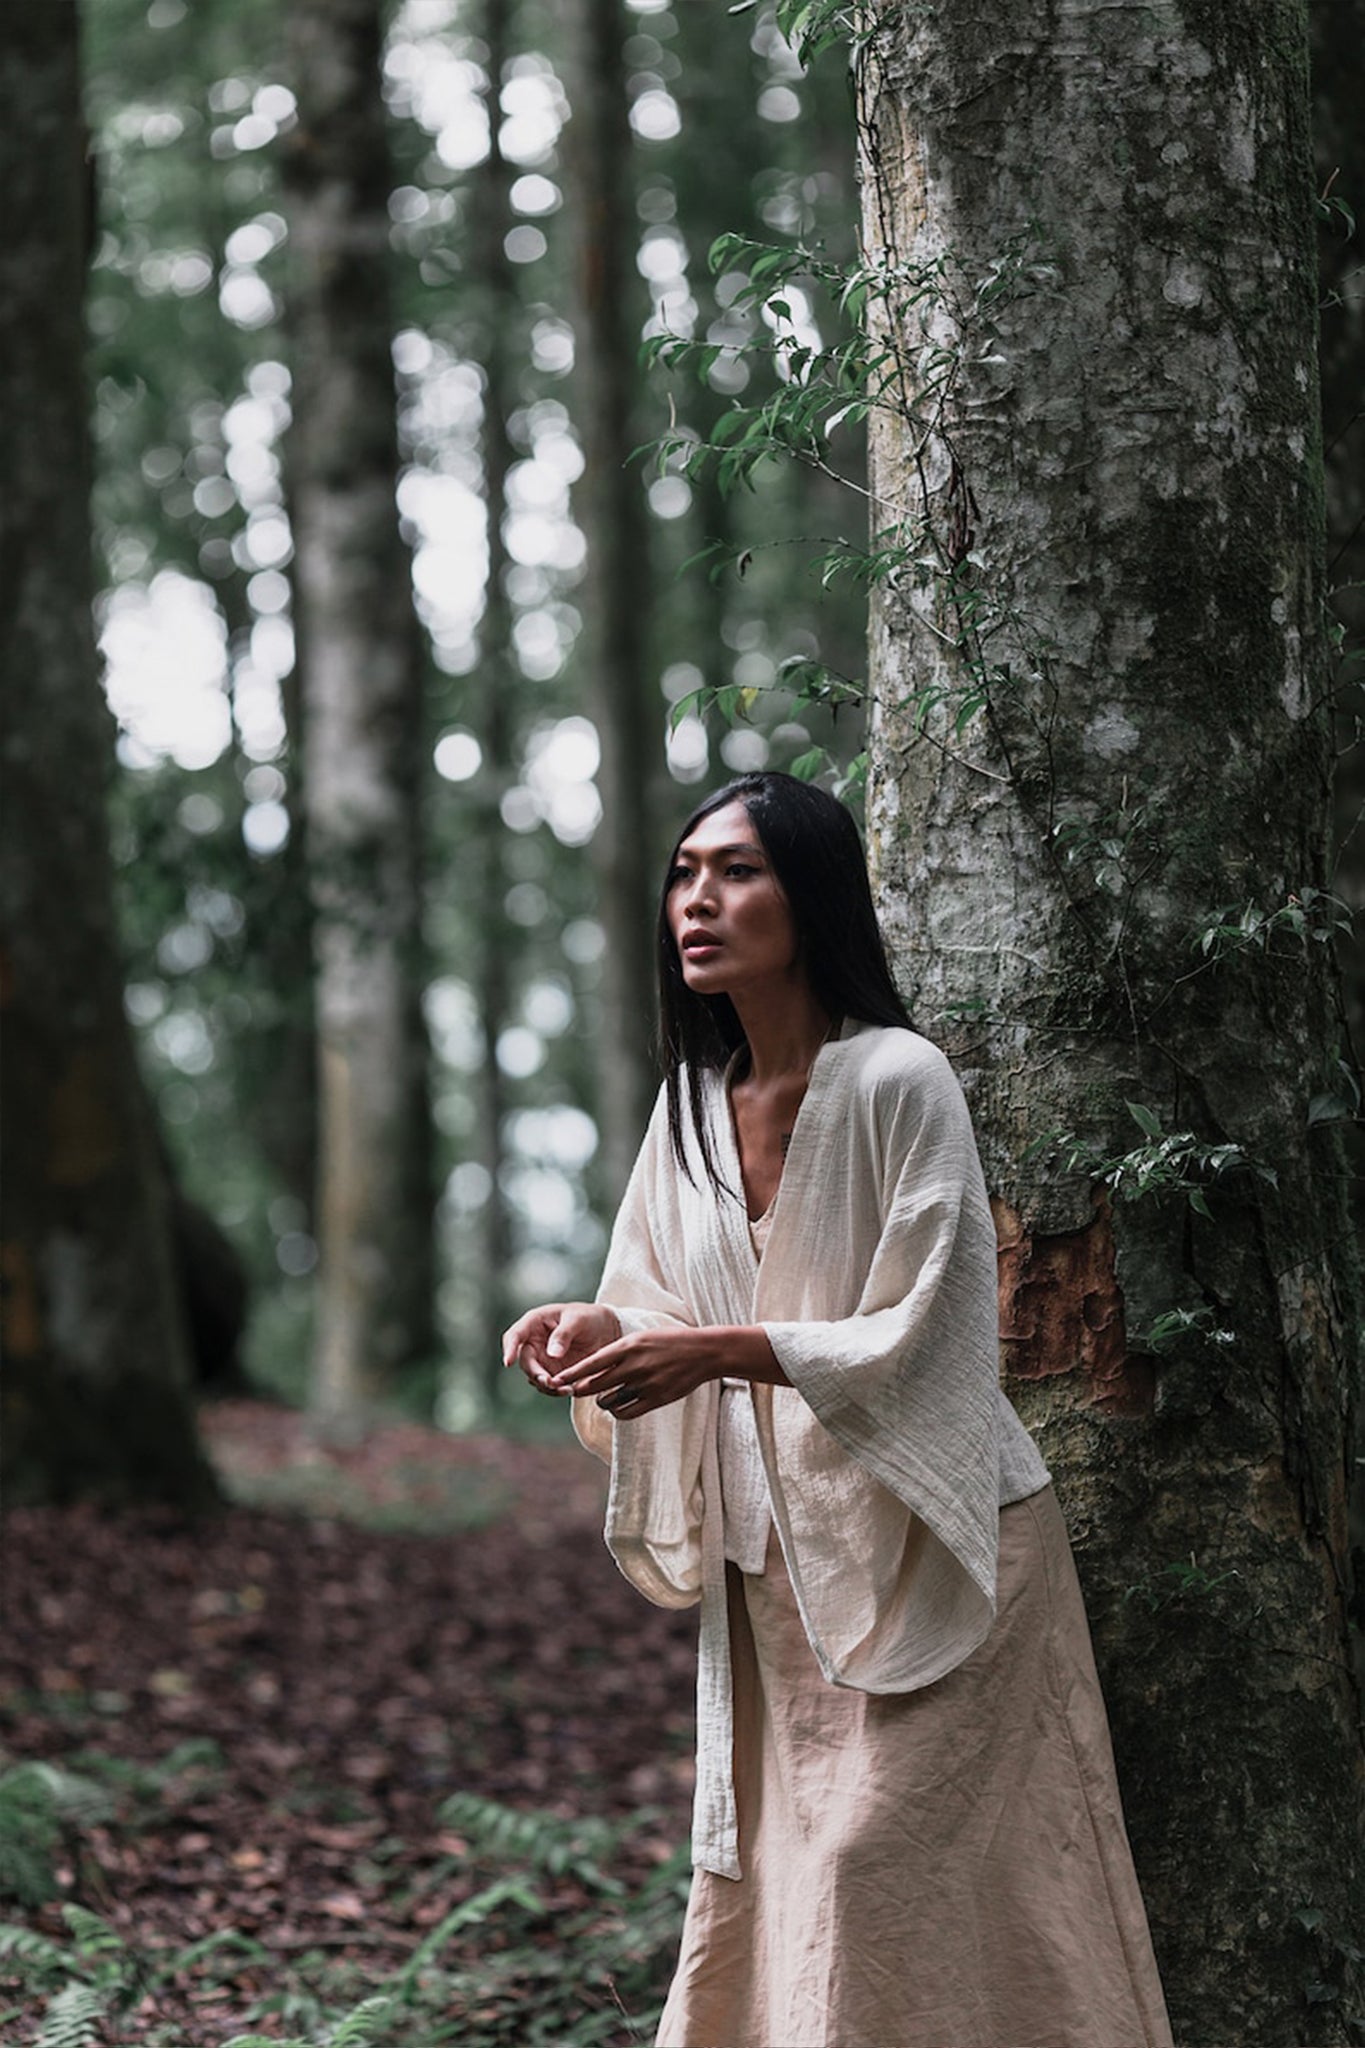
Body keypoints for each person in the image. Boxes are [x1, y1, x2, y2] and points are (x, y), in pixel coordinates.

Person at [503, 771, 1173, 2048]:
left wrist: (711, 1350)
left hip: (942, 1545)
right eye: (685, 870)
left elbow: (933, 1329)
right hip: (776, 1579)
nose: (697, 898)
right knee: (788, 1890)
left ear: (812, 896)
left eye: (738, 869)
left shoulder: (897, 1080)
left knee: (885, 1874)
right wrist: (597, 1332)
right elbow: (654, 1302)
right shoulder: (688, 1108)